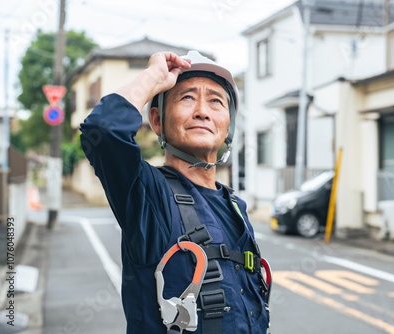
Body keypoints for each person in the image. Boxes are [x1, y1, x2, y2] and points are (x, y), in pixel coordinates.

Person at [80, 51, 270, 334]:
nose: (202, 111)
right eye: (187, 98)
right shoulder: (148, 195)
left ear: (228, 125)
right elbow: (103, 130)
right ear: (156, 121)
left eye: (216, 101)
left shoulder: (236, 207)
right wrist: (154, 77)